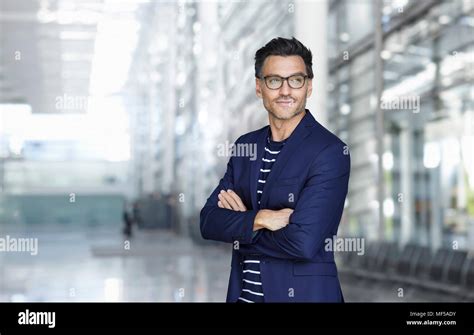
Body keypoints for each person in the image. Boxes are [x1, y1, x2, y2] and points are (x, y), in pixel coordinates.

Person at [200, 37, 350, 302]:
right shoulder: (246, 147)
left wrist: (243, 225)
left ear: (309, 86)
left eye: (296, 80)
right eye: (274, 81)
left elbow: (302, 243)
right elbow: (209, 221)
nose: (285, 91)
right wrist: (261, 218)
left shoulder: (329, 152)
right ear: (259, 87)